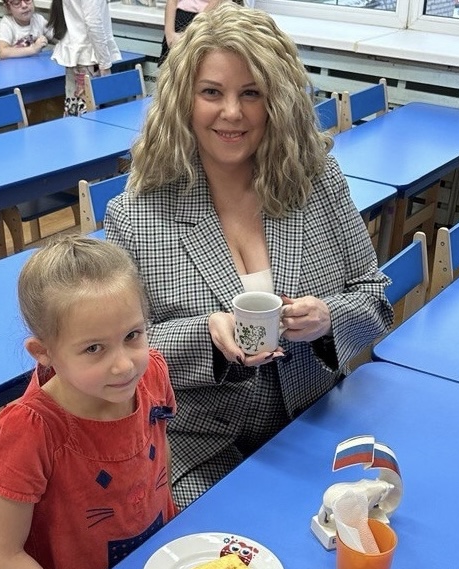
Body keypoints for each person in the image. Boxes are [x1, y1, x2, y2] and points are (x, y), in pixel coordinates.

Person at [105, 3, 393, 509]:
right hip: (201, 445)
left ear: (277, 101)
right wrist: (208, 336)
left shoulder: (317, 181)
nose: (232, 112)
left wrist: (328, 318)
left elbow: (375, 299)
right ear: (182, 99)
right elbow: (122, 353)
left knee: (351, 534)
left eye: (251, 93)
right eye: (211, 92)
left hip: (316, 421)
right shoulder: (136, 214)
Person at [0, 235, 177, 569]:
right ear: (44, 353)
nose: (124, 365)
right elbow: (0, 554)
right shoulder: (30, 430)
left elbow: (159, 450)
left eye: (132, 335)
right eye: (94, 349)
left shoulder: (152, 373)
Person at [47, 0, 123, 116]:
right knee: (89, 115)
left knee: (74, 111)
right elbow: (94, 24)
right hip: (89, 56)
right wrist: (105, 63)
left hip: (78, 53)